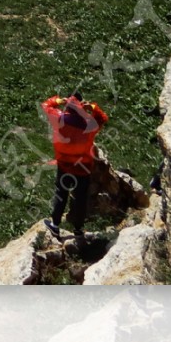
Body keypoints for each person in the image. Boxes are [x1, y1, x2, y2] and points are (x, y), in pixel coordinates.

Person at [42, 92, 109, 242]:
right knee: (80, 198)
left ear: (67, 105)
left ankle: (55, 224)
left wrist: (59, 100)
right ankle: (78, 230)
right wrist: (91, 106)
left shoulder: (59, 118)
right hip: (83, 167)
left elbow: (46, 105)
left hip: (64, 165)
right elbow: (103, 117)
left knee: (61, 193)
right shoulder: (89, 124)